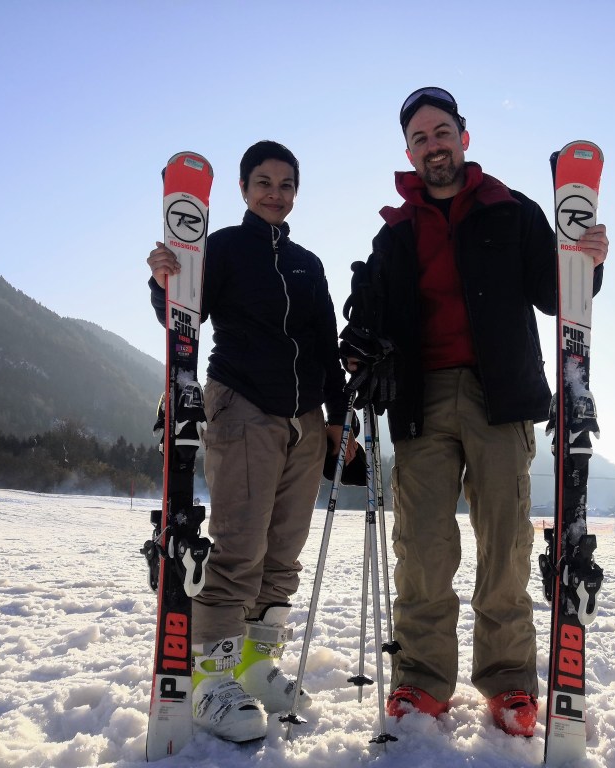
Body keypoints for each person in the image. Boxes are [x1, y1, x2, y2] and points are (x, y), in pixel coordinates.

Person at [340, 88, 609, 737]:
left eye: (441, 131)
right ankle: (422, 681)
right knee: (423, 547)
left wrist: (587, 260)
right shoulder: (396, 231)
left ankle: (510, 684)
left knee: (506, 549)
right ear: (410, 151)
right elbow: (367, 314)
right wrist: (361, 343)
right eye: (420, 138)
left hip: (502, 394)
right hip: (421, 399)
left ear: (463, 135)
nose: (433, 145)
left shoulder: (508, 210)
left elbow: (555, 294)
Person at [147, 140, 356, 743]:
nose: (275, 192)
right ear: (243, 189)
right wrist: (164, 283)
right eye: (263, 182)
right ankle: (211, 677)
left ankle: (254, 662)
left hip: (306, 417)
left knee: (282, 551)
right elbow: (183, 316)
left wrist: (338, 417)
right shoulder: (226, 247)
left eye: (286, 184)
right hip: (243, 403)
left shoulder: (308, 264)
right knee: (239, 546)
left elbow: (322, 343)